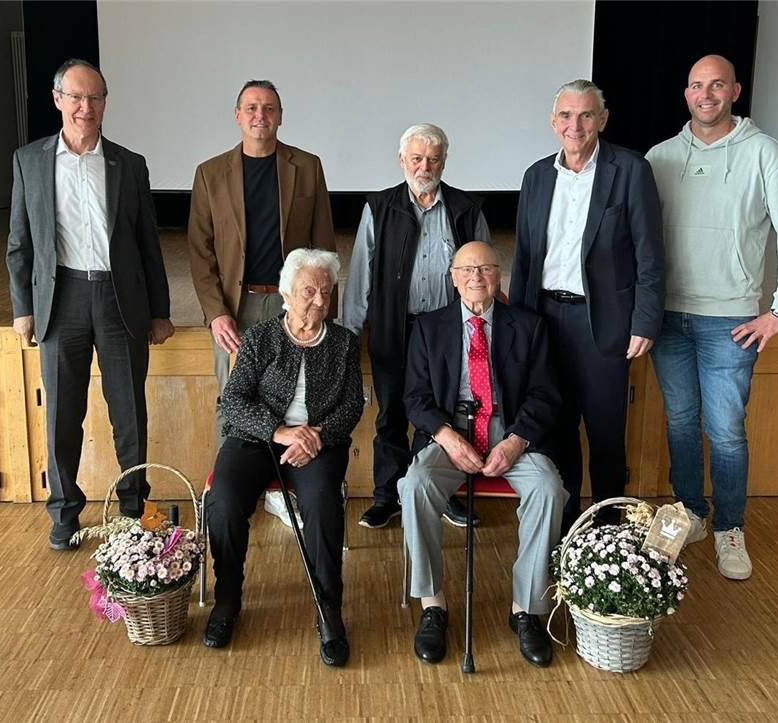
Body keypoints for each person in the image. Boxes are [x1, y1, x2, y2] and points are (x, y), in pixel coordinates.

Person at [645, 55, 778, 580]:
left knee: (724, 431)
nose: (706, 94)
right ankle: (692, 513)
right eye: (697, 85)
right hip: (669, 318)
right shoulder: (660, 157)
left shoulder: (764, 154)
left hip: (731, 322)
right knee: (679, 423)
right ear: (686, 93)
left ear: (735, 91)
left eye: (716, 84)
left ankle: (730, 528)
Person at [6, 58, 173, 550]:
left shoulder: (129, 163)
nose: (86, 107)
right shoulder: (29, 161)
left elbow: (149, 244)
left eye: (95, 98)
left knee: (129, 412)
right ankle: (64, 513)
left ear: (104, 103)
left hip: (121, 299)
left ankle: (133, 507)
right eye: (76, 97)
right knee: (62, 412)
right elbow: (19, 242)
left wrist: (160, 310)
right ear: (57, 100)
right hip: (61, 301)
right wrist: (22, 306)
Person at [398, 241, 565, 668]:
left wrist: (514, 442)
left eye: (486, 268)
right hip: (450, 435)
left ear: (498, 277)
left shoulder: (528, 327)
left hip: (511, 434)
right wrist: (448, 438)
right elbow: (415, 398)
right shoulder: (428, 327)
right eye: (467, 269)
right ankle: (433, 606)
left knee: (549, 488)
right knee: (414, 484)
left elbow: (546, 395)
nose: (476, 277)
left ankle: (526, 610)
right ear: (452, 279)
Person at [510, 79, 664, 533]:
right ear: (553, 122)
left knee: (604, 432)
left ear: (602, 119)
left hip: (605, 323)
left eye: (585, 115)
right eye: (565, 115)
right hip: (543, 319)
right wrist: (518, 325)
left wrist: (645, 320)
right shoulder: (536, 176)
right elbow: (524, 256)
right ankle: (568, 525)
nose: (574, 125)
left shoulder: (630, 170)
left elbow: (650, 254)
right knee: (555, 427)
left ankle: (608, 525)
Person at [202, 248, 363, 666]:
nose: (319, 301)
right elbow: (233, 401)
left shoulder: (343, 343)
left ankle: (329, 610)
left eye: (326, 293)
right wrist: (278, 430)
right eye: (309, 290)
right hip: (257, 439)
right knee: (224, 499)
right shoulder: (260, 338)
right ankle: (227, 600)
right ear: (287, 294)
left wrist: (316, 436)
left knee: (324, 503)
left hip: (317, 445)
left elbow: (351, 405)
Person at [188, 79, 335, 529]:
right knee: (233, 399)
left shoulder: (306, 167)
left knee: (296, 396)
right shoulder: (210, 173)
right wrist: (216, 312)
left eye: (269, 108)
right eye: (251, 107)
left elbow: (324, 244)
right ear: (237, 115)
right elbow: (200, 251)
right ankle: (232, 493)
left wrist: (324, 309)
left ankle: (284, 489)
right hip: (238, 307)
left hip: (294, 306)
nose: (260, 116)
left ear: (280, 116)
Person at [342, 123, 491, 530]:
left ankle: (439, 493)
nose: (425, 166)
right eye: (417, 158)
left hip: (445, 335)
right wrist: (349, 336)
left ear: (444, 161)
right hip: (393, 329)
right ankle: (387, 496)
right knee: (390, 413)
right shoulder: (379, 207)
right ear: (402, 161)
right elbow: (360, 276)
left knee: (443, 415)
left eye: (434, 159)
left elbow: (482, 271)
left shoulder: (466, 208)